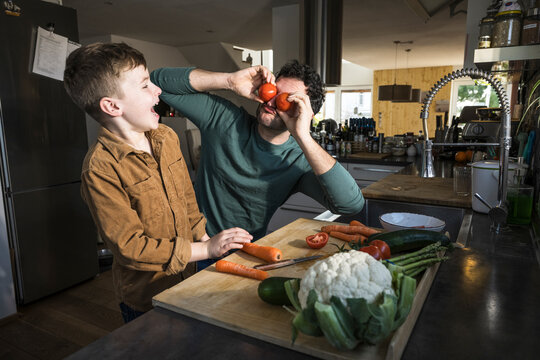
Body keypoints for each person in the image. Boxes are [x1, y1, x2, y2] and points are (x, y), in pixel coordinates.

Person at [63, 42, 252, 323]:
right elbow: (131, 248)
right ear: (112, 106)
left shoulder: (166, 137)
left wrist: (206, 239)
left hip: (189, 280)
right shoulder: (100, 170)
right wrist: (206, 249)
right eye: (144, 85)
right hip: (147, 299)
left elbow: (188, 199)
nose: (157, 90)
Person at [150, 61, 364, 268]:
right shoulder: (224, 119)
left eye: (287, 100)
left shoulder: (298, 160)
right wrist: (230, 81)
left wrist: (304, 136)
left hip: (246, 254)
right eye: (272, 91)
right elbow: (157, 82)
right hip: (192, 246)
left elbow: (351, 205)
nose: (271, 102)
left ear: (305, 112)